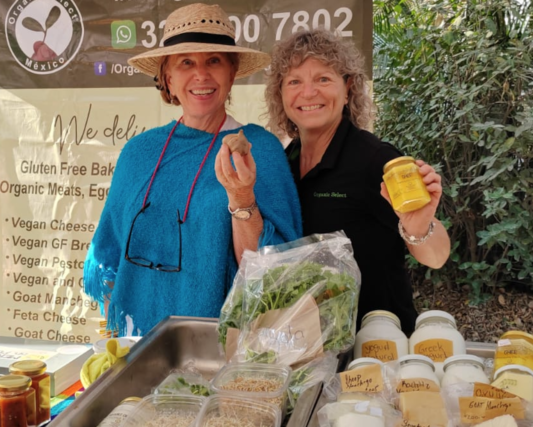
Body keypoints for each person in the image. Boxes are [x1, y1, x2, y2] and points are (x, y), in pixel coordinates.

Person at [83, 3, 302, 337]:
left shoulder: (258, 149)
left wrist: (242, 198)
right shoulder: (138, 153)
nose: (201, 74)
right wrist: (118, 348)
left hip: (219, 348)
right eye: (186, 62)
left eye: (213, 61)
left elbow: (271, 270)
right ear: (168, 78)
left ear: (232, 73)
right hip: (136, 341)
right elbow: (109, 260)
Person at [265, 29, 451, 334]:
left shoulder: (374, 158)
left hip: (377, 342)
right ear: (281, 93)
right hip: (313, 341)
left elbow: (437, 256)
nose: (308, 93)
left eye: (323, 79)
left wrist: (418, 227)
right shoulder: (285, 160)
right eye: (294, 81)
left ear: (348, 88)